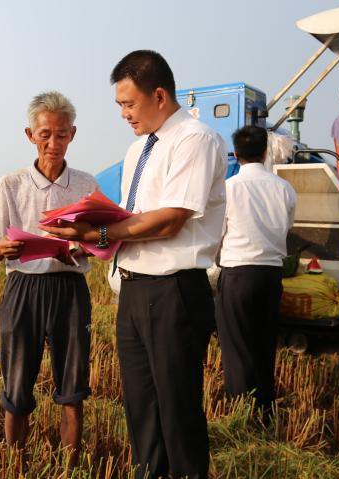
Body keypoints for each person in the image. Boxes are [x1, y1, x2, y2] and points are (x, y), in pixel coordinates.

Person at [40, 50, 227, 479]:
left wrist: (99, 234)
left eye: (129, 104)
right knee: (141, 411)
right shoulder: (138, 149)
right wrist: (87, 240)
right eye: (119, 105)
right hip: (133, 289)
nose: (124, 114)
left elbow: (169, 220)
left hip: (173, 291)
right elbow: (132, 220)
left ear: (159, 95)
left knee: (177, 412)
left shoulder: (194, 139)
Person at [0, 91, 98, 468]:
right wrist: (2, 248)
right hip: (22, 288)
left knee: (72, 389)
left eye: (61, 134)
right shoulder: (10, 184)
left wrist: (81, 247)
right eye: (45, 134)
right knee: (16, 386)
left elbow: (101, 241)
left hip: (70, 288)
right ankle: (17, 465)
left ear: (72, 134)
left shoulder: (86, 185)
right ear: (30, 135)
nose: (53, 143)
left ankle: (70, 468)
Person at [215, 125, 296, 422]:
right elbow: (287, 227)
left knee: (237, 348)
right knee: (264, 345)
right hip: (271, 275)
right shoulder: (285, 188)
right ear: (265, 152)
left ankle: (241, 417)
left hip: (237, 273)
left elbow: (217, 232)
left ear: (236, 154)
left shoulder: (229, 188)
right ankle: (265, 412)